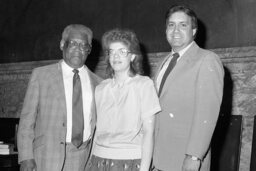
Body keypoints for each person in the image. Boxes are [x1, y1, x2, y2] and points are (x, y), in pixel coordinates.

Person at [17, 24, 102, 171]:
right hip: (46, 157)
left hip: (84, 158)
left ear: (89, 50)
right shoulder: (41, 75)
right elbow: (26, 121)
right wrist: (25, 157)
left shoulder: (99, 83)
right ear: (62, 45)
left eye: (83, 45)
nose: (78, 49)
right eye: (73, 43)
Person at [152, 5, 224, 171]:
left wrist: (194, 156)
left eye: (183, 25)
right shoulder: (163, 62)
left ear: (193, 31)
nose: (175, 30)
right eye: (171, 25)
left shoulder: (207, 60)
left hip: (184, 159)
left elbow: (206, 114)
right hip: (158, 156)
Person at [88, 28, 161, 171]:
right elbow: (97, 131)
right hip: (99, 160)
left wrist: (144, 169)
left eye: (122, 51)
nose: (116, 56)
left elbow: (148, 131)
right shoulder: (101, 88)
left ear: (132, 56)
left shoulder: (144, 85)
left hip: (130, 161)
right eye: (111, 52)